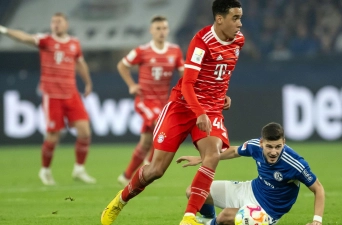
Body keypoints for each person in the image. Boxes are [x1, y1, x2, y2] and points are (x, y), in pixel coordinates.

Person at [100, 0, 245, 225]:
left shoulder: (239, 41)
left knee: (213, 155)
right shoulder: (201, 42)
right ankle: (120, 200)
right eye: (235, 18)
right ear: (219, 19)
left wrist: (221, 94)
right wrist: (199, 112)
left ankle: (189, 217)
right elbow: (187, 84)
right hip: (182, 107)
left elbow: (222, 72)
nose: (239, 24)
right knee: (156, 170)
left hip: (211, 109)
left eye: (240, 18)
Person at [0, 13, 96, 185]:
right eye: (53, 22)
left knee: (85, 131)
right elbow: (24, 38)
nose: (55, 24)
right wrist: (4, 30)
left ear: (66, 24)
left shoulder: (74, 43)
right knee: (53, 136)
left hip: (72, 93)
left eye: (59, 21)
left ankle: (79, 169)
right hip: (52, 95)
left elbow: (80, 63)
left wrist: (88, 83)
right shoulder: (46, 41)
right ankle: (45, 171)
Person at [176, 122, 325, 225]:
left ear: (284, 142)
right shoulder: (254, 146)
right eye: (269, 147)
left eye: (278, 147)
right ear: (261, 143)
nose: (274, 152)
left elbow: (318, 188)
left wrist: (317, 220)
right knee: (194, 190)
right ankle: (207, 218)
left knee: (225, 217)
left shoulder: (294, 164)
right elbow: (234, 151)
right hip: (249, 190)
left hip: (266, 211)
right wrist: (203, 158)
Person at [116, 15, 185, 186]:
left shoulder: (175, 51)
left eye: (164, 28)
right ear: (151, 31)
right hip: (145, 100)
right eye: (158, 29)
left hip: (163, 102)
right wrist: (132, 85)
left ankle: (125, 176)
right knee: (158, 124)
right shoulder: (142, 50)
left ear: (168, 30)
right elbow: (122, 65)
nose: (162, 32)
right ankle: (150, 163)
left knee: (146, 142)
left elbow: (183, 73)